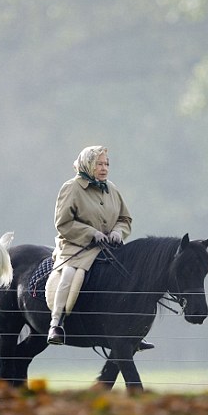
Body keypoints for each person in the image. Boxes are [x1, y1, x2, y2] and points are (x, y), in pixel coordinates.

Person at [47, 145, 153, 350]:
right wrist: (91, 233)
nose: (104, 168)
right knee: (70, 275)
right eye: (99, 164)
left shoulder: (111, 188)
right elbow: (63, 223)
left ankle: (133, 333)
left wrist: (117, 233)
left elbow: (125, 219)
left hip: (109, 248)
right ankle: (56, 324)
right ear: (88, 164)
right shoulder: (71, 187)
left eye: (106, 164)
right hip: (76, 246)